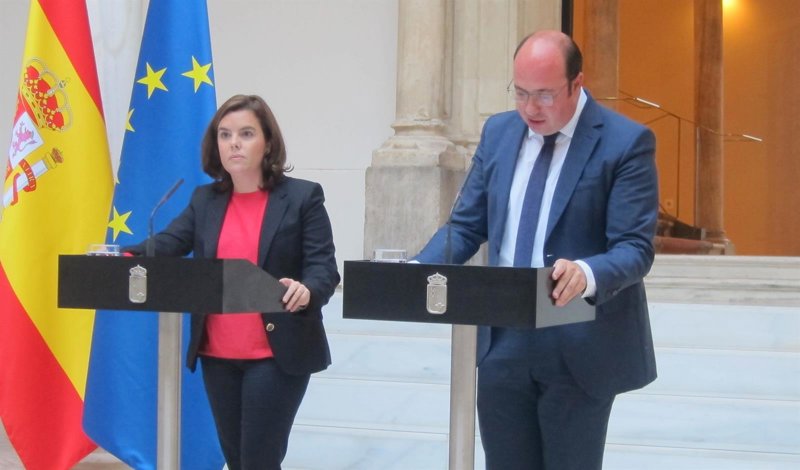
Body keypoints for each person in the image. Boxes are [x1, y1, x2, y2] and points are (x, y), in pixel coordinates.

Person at [413, 31, 658, 469]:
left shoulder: (625, 142)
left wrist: (586, 272)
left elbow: (634, 247)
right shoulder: (499, 132)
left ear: (577, 83)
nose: (530, 108)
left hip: (578, 340)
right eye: (521, 93)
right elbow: (466, 225)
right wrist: (416, 269)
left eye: (544, 95)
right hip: (501, 339)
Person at [124, 94, 340, 469]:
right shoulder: (205, 200)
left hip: (276, 353)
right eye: (224, 135)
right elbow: (168, 244)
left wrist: (307, 291)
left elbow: (323, 269)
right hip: (217, 354)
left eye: (246, 134)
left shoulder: (302, 197)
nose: (233, 143)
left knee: (258, 460)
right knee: (237, 460)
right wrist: (121, 258)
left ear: (268, 143)